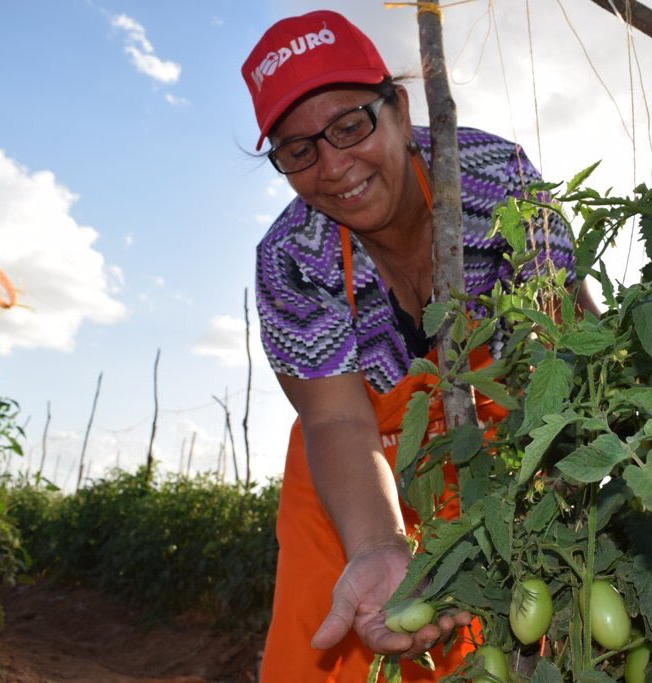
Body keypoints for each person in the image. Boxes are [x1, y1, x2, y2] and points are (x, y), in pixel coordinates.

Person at [241, 10, 593, 682]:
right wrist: (376, 542)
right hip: (353, 473)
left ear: (399, 110)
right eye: (299, 151)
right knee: (327, 643)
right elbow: (337, 420)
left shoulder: (498, 182)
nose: (334, 166)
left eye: (350, 126)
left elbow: (563, 341)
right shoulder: (291, 258)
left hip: (498, 448)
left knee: (494, 642)